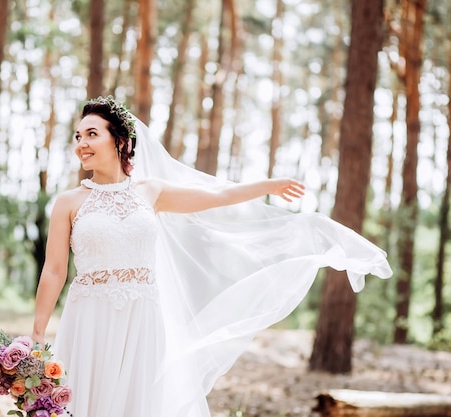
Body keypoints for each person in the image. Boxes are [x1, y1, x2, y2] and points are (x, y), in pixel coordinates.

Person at [32, 96, 392, 417]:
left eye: (92, 133)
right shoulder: (69, 202)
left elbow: (217, 196)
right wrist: (36, 334)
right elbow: (54, 271)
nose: (81, 143)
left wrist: (269, 185)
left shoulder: (151, 192)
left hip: (142, 318)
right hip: (89, 316)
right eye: (78, 136)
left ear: (120, 140)